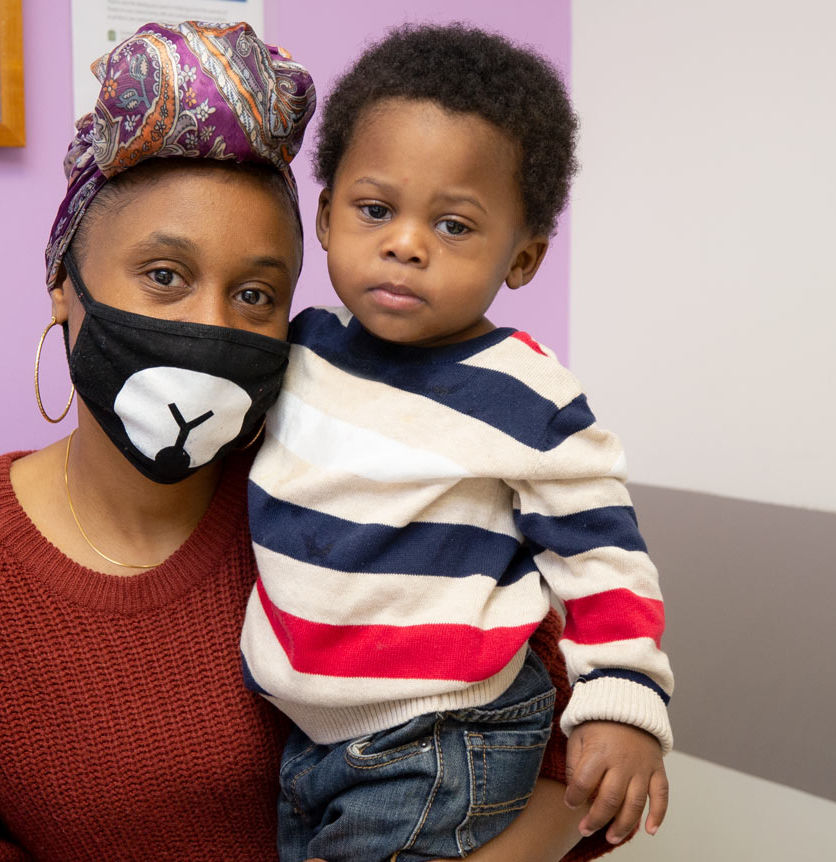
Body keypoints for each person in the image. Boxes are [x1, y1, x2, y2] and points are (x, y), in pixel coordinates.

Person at [0, 21, 616, 862]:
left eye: (255, 293)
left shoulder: (358, 486)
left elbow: (566, 777)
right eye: (165, 276)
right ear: (64, 284)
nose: (213, 328)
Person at [240, 25, 675, 862]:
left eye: (454, 224)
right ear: (325, 218)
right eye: (376, 210)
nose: (406, 243)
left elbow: (604, 559)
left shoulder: (527, 396)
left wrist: (622, 702)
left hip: (445, 732)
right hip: (309, 737)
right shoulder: (297, 352)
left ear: (524, 258)